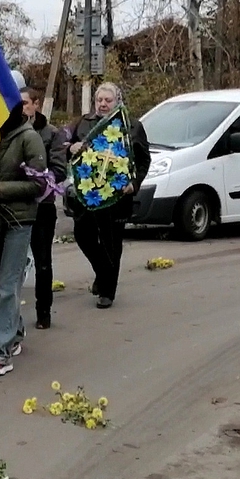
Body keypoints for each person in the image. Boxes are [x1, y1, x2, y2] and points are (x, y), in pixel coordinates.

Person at [0, 83, 47, 377]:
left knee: (7, 284)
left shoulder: (29, 138)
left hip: (19, 220)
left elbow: (40, 184)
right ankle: (14, 329)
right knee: (1, 283)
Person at [65, 81, 151, 309]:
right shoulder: (85, 123)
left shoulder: (131, 126)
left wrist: (134, 183)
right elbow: (68, 148)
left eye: (108, 100)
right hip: (88, 195)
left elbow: (143, 160)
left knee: (112, 242)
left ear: (118, 101)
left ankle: (107, 291)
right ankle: (103, 272)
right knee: (83, 234)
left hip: (118, 195)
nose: (103, 105)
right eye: (99, 100)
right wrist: (70, 149)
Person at [19, 85, 69, 329]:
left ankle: (43, 311)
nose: (21, 108)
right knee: (10, 263)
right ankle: (5, 314)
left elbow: (59, 170)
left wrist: (37, 178)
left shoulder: (51, 134)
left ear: (36, 104)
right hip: (15, 205)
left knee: (42, 260)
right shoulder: (10, 131)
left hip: (42, 205)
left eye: (25, 103)